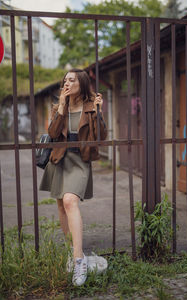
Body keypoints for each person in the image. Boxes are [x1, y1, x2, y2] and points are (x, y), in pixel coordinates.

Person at [39, 68, 107, 286]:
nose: (67, 82)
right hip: (59, 159)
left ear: (82, 83)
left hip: (79, 161)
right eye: (65, 79)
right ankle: (72, 251)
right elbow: (52, 133)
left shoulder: (90, 107)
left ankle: (79, 261)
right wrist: (61, 105)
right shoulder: (60, 106)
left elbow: (101, 136)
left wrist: (99, 111)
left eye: (72, 79)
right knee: (61, 206)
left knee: (70, 200)